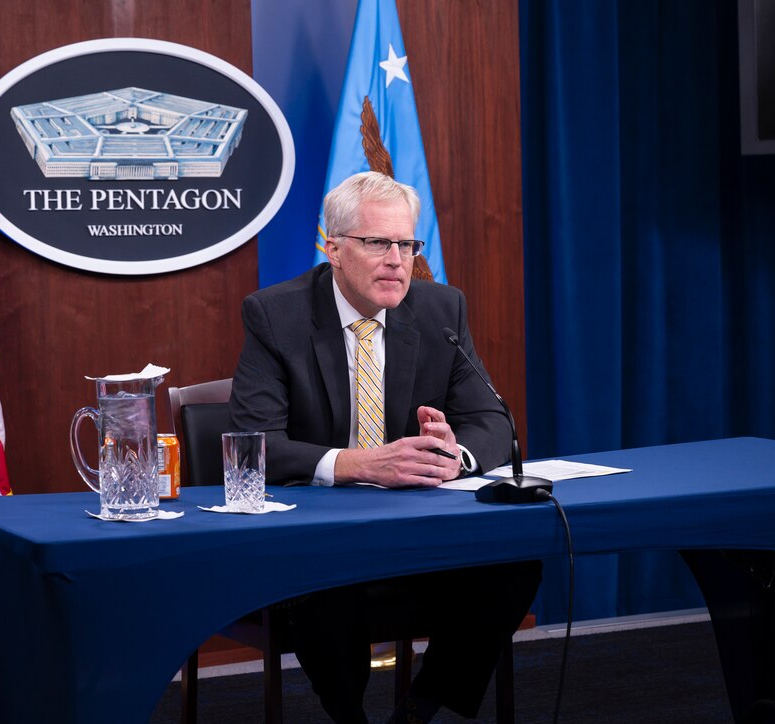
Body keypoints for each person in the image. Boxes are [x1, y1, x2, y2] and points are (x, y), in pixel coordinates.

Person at [230, 171, 542, 723]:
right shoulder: (275, 315)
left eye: (406, 243)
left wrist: (454, 455)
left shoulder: (441, 310)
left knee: (515, 565)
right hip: (319, 534)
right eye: (377, 243)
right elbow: (253, 448)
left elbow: (491, 420)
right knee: (325, 585)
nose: (397, 259)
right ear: (333, 247)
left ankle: (418, 710)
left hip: (415, 530)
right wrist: (357, 464)